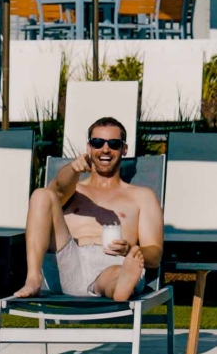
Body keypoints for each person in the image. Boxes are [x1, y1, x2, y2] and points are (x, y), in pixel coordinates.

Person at [13, 117, 164, 302]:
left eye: (114, 144)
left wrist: (130, 249)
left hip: (114, 262)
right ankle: (34, 278)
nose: (105, 149)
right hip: (69, 263)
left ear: (124, 149)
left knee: (116, 274)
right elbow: (58, 189)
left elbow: (155, 254)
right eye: (98, 142)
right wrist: (72, 169)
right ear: (89, 147)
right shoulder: (73, 189)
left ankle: (120, 287)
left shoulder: (142, 196)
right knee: (41, 195)